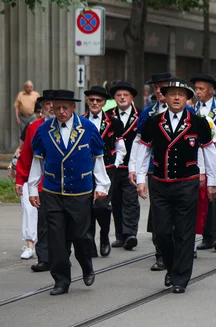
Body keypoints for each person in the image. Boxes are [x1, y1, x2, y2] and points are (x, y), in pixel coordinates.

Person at [136, 78, 216, 294]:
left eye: (181, 94)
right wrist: (140, 180)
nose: (177, 97)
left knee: (184, 231)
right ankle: (171, 268)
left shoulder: (198, 122)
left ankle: (181, 277)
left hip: (187, 183)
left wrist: (214, 182)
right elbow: (143, 151)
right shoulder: (153, 122)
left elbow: (209, 152)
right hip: (160, 183)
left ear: (187, 98)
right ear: (165, 97)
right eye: (172, 94)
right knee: (161, 232)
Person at [28, 89, 111, 295]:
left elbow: (97, 159)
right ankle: (61, 280)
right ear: (52, 109)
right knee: (56, 238)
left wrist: (102, 185)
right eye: (57, 108)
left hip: (80, 193)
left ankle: (86, 265)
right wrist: (32, 188)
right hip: (52, 192)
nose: (62, 111)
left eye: (65, 107)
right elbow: (37, 161)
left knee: (81, 236)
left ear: (74, 108)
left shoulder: (89, 128)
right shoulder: (44, 130)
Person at [131, 72, 175, 272]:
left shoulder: (188, 112)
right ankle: (161, 254)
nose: (158, 91)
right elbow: (140, 143)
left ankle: (181, 248)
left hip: (181, 171)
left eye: (162, 87)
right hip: (154, 170)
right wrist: (134, 167)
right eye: (156, 87)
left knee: (179, 214)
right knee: (158, 213)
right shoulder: (147, 113)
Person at [83, 86, 126, 258]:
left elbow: (121, 148)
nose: (94, 103)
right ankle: (89, 241)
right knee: (87, 207)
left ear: (104, 102)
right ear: (87, 101)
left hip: (107, 170)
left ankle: (104, 236)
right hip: (85, 171)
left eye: (98, 100)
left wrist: (114, 165)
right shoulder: (80, 120)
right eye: (91, 100)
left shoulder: (114, 122)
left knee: (101, 205)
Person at [191, 74, 216, 251]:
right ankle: (206, 236)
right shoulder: (191, 110)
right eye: (196, 89)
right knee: (202, 197)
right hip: (198, 160)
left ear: (211, 90)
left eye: (201, 89)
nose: (198, 92)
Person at [15, 90, 55, 272]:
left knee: (65, 223)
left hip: (68, 184)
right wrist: (20, 179)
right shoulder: (34, 127)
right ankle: (44, 258)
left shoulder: (76, 127)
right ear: (43, 108)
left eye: (56, 104)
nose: (53, 108)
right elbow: (26, 157)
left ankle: (62, 255)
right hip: (42, 183)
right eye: (48, 104)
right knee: (44, 221)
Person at [108, 81, 141, 250]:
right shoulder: (108, 116)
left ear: (131, 98)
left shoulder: (141, 116)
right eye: (119, 95)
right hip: (113, 167)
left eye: (125, 95)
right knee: (116, 201)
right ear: (114, 98)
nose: (122, 98)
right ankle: (120, 235)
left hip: (131, 167)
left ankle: (130, 234)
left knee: (130, 200)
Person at [8, 101, 43, 259]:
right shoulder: (31, 127)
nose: (42, 114)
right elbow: (23, 151)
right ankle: (30, 244)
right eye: (39, 111)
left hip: (51, 178)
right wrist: (19, 177)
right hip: (30, 175)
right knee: (29, 209)